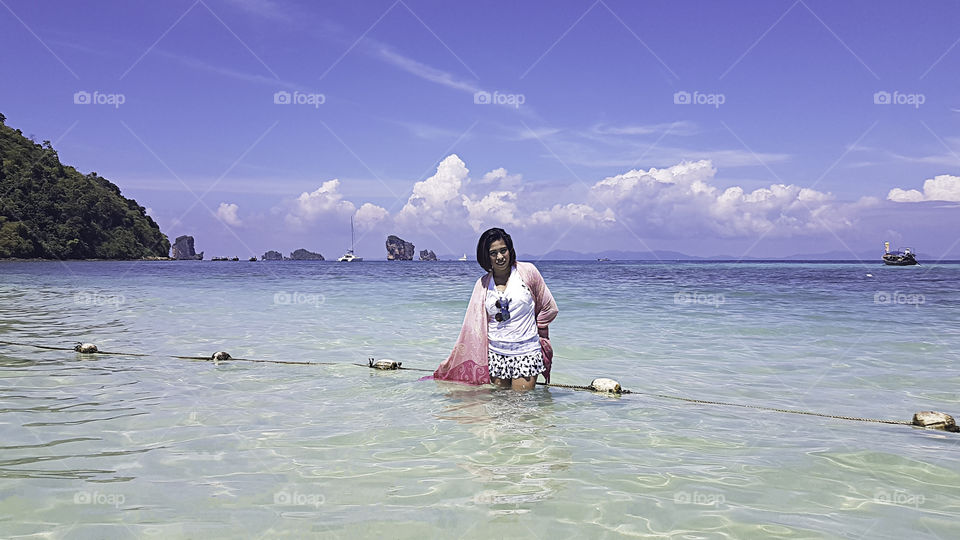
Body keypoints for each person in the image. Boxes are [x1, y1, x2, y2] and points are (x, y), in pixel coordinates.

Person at [431, 228, 558, 390]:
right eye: (493, 253)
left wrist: (533, 330)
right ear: (486, 257)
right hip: (495, 354)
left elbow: (549, 307)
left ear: (510, 250)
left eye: (503, 250)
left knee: (521, 407)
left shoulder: (528, 273)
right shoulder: (483, 284)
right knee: (498, 406)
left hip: (526, 352)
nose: (499, 257)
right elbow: (474, 325)